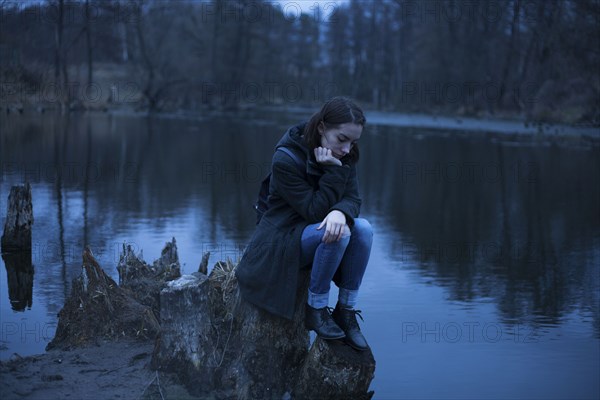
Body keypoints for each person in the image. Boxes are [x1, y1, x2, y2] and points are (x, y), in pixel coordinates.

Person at [235, 97, 373, 351]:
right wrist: (334, 173)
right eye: (342, 139)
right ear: (321, 128)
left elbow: (353, 198)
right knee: (339, 234)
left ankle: (346, 310)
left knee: (364, 229)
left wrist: (340, 212)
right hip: (282, 238)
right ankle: (317, 309)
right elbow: (313, 211)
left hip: (312, 233)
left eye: (353, 142)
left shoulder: (344, 155)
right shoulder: (286, 158)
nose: (346, 149)